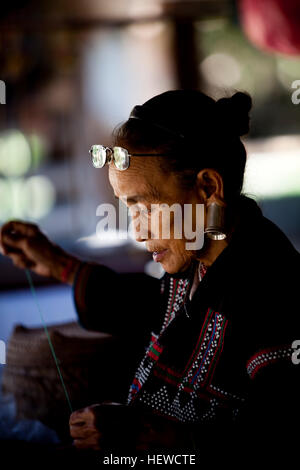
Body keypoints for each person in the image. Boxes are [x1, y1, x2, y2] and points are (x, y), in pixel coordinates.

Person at [0, 89, 299, 466]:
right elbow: (145, 307)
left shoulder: (270, 290)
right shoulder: (199, 259)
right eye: (128, 207)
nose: (138, 232)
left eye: (144, 205)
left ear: (208, 189)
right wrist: (58, 264)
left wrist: (152, 438)